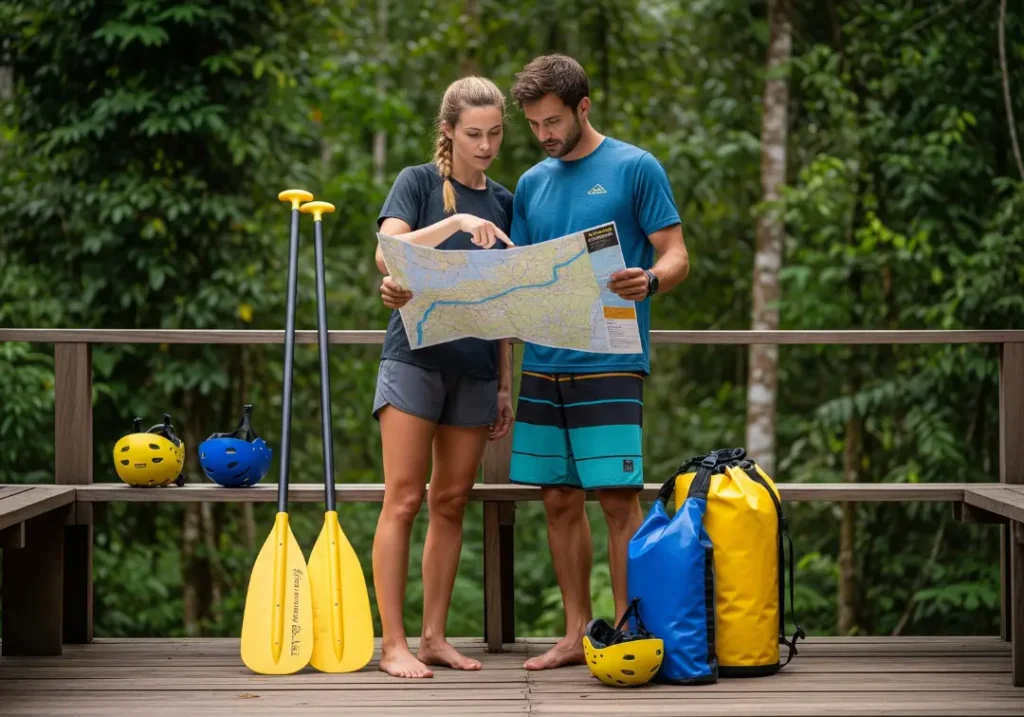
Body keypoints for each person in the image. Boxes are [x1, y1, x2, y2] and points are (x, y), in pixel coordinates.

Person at [506, 54, 691, 671]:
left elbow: (677, 255)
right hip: (542, 361)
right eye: (534, 124)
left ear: (583, 107)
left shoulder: (636, 167)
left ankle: (628, 628)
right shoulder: (532, 182)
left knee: (616, 499)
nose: (544, 135)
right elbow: (522, 274)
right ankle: (574, 631)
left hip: (611, 360)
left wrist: (652, 281)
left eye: (552, 121)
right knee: (557, 498)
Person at [370, 75, 516, 679]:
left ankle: (434, 638)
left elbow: (512, 297)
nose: (485, 145)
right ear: (449, 132)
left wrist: (507, 381)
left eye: (495, 134)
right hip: (415, 361)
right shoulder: (420, 183)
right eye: (474, 134)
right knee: (403, 499)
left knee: (452, 502)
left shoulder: (506, 200)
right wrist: (456, 226)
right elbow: (387, 251)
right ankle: (393, 644)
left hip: (478, 368)